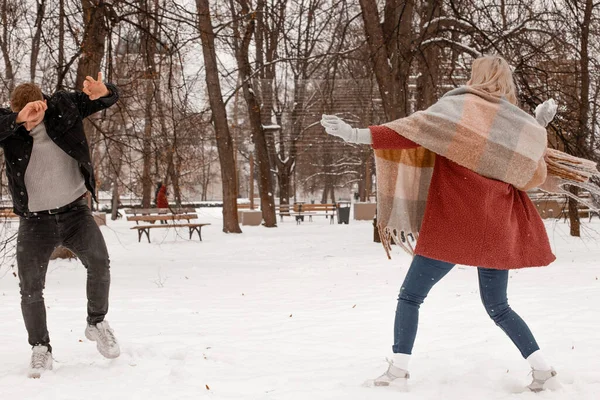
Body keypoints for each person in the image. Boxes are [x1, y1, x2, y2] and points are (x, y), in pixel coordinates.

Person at [321, 56, 566, 392]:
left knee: (410, 296)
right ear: (506, 81)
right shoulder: (515, 123)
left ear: (476, 77)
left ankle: (397, 372)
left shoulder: (459, 108)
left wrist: (354, 134)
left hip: (456, 222)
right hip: (495, 225)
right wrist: (537, 125)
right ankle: (543, 370)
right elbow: (532, 172)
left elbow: (409, 132)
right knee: (498, 306)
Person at [0, 73, 120, 378]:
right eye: (27, 116)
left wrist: (104, 91)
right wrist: (16, 120)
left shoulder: (63, 106)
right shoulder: (10, 128)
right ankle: (40, 347)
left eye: (38, 110)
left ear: (44, 101)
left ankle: (96, 323)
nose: (35, 118)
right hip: (35, 222)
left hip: (75, 213)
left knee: (99, 262)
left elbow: (104, 99)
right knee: (30, 287)